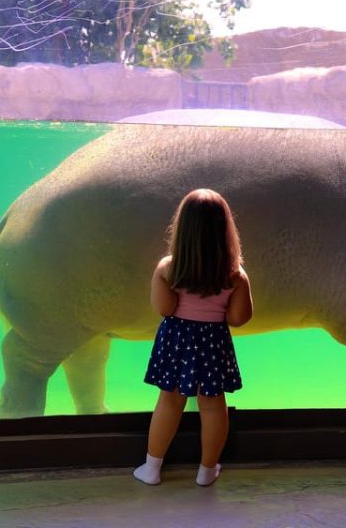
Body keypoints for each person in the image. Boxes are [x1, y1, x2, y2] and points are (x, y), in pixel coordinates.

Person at [133, 188, 253, 487]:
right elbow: (239, 318)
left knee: (169, 402)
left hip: (177, 341)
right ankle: (206, 471)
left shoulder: (167, 268)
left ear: (181, 228)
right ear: (226, 229)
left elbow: (164, 308)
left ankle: (151, 468)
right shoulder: (235, 274)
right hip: (213, 342)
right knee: (212, 406)